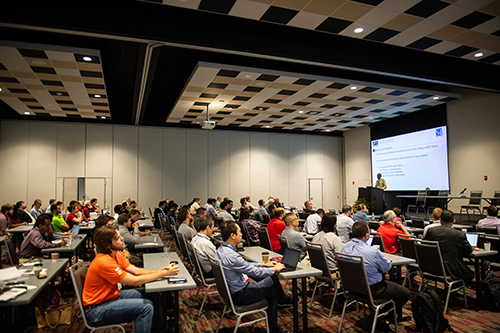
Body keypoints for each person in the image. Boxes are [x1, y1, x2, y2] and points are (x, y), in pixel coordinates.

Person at [83, 225, 180, 333]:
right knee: (146, 307)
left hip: (111, 296)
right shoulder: (104, 262)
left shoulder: (115, 254)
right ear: (108, 245)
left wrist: (161, 271)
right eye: (117, 238)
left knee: (154, 295)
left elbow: (136, 271)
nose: (122, 239)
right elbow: (135, 281)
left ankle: (160, 329)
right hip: (98, 310)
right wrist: (163, 274)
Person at [216, 221, 292, 333]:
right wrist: (273, 269)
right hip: (241, 295)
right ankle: (282, 303)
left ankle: (280, 308)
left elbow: (244, 265)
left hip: (230, 294)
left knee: (273, 291)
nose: (242, 234)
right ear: (232, 235)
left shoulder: (220, 251)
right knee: (273, 279)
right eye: (239, 232)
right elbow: (254, 272)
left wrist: (263, 264)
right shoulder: (232, 256)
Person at [342, 222, 410, 326]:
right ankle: (381, 316)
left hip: (352, 289)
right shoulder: (372, 251)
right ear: (367, 235)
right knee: (405, 293)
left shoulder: (345, 248)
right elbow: (387, 267)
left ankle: (379, 316)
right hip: (373, 290)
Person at [424, 210, 474, 285]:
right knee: (470, 274)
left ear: (440, 220)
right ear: (454, 221)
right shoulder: (459, 234)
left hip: (432, 268)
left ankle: (449, 291)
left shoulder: (431, 231)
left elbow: (423, 246)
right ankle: (452, 291)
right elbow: (469, 251)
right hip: (451, 270)